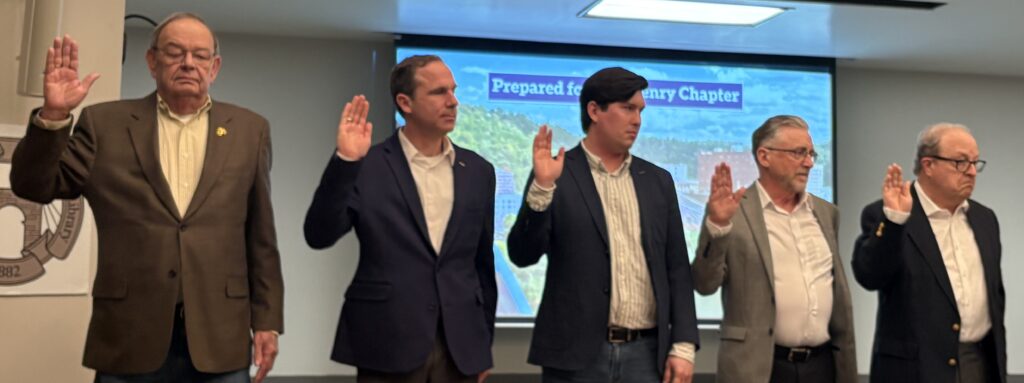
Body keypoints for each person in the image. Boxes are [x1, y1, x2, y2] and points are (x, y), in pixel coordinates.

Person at [10, 13, 283, 383]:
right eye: (175, 52)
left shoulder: (250, 131)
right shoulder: (105, 124)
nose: (188, 63)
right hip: (128, 334)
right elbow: (34, 187)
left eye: (200, 55)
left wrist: (267, 320)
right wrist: (54, 116)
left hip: (221, 334)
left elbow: (261, 236)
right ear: (152, 61)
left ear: (214, 67)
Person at [303, 55, 497, 383]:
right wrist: (346, 161)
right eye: (439, 92)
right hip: (386, 339)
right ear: (405, 102)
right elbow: (319, 234)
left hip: (460, 345)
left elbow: (481, 264)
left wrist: (483, 344)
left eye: (454, 90)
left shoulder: (479, 171)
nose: (453, 102)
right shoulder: (368, 164)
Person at [507, 67, 699, 383]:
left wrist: (683, 345)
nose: (637, 120)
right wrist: (541, 190)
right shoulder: (556, 173)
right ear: (594, 111)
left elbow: (676, 267)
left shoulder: (657, 181)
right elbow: (522, 254)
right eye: (627, 108)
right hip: (576, 355)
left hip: (647, 354)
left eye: (640, 110)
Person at [692, 115, 856, 383]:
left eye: (811, 153)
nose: (809, 162)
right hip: (759, 367)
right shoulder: (734, 211)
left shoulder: (826, 213)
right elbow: (704, 283)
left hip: (823, 365)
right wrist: (717, 226)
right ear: (764, 156)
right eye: (798, 153)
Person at [852, 123, 1006, 383]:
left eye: (975, 163)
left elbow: (994, 295)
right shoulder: (889, 214)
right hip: (916, 369)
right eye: (960, 162)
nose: (971, 172)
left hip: (978, 362)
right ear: (928, 165)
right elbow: (869, 276)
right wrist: (894, 221)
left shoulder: (984, 218)